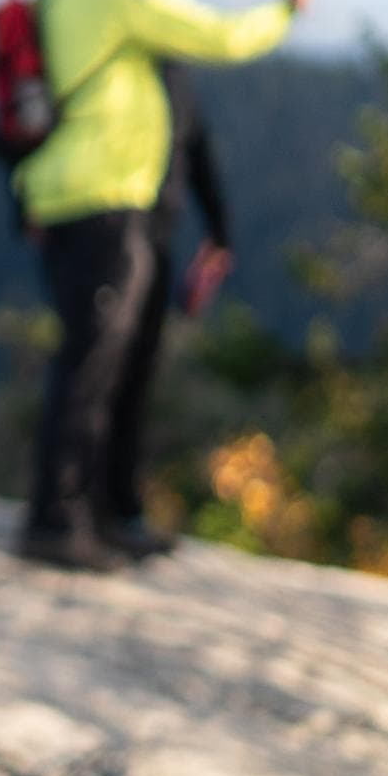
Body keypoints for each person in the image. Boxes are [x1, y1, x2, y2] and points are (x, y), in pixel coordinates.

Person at [15, 0, 313, 571]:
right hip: (102, 200)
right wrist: (284, 9)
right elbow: (220, 35)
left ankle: (111, 510)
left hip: (83, 201)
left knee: (113, 361)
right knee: (94, 365)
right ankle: (58, 521)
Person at [100, 62, 234, 558]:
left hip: (119, 236)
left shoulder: (120, 61)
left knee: (114, 374)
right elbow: (198, 149)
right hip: (131, 237)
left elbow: (196, 147)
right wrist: (221, 231)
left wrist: (220, 231)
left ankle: (105, 508)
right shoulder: (163, 67)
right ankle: (104, 510)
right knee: (111, 376)